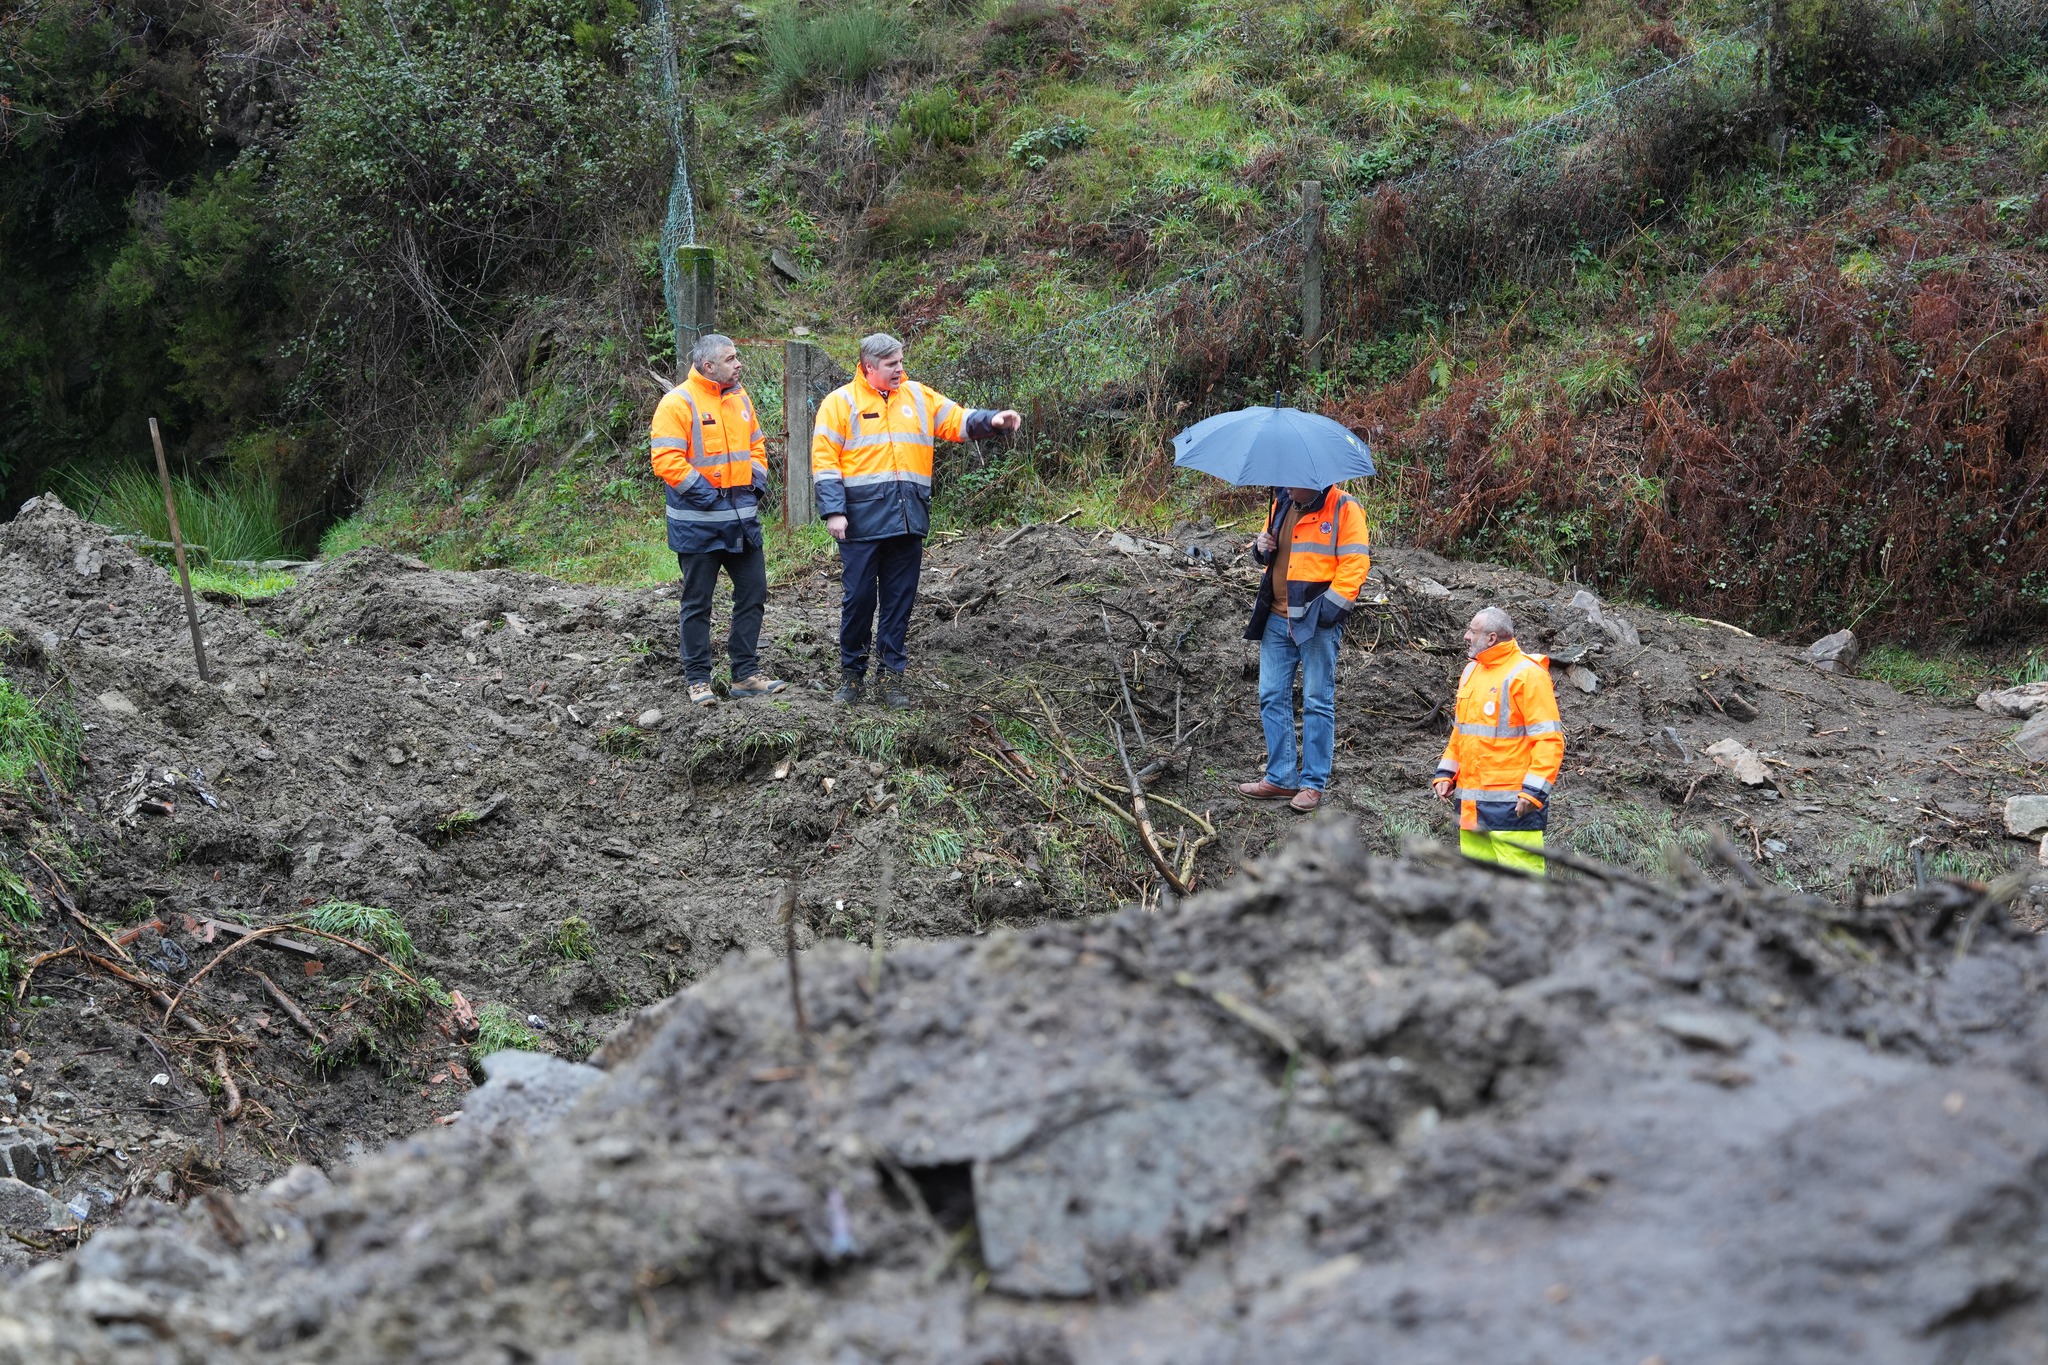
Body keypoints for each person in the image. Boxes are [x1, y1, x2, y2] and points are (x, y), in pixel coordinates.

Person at [812, 333, 1021, 708]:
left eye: (901, 361)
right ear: (869, 367)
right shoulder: (839, 403)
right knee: (859, 600)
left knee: (899, 602)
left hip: (908, 519)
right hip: (859, 523)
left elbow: (957, 420)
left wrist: (994, 420)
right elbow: (825, 461)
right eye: (892, 364)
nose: (900, 369)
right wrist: (833, 510)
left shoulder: (918, 396)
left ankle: (892, 679)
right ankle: (852, 677)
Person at [650, 333, 787, 707]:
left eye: (737, 357)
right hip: (698, 526)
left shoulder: (740, 398)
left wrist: (755, 484)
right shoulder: (676, 403)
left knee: (754, 593)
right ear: (708, 366)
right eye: (731, 359)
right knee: (697, 603)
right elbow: (666, 461)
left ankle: (745, 674)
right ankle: (698, 680)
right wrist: (711, 497)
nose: (739, 364)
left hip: (742, 523)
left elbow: (757, 446)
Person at [1236, 484, 1371, 813]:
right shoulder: (1282, 499)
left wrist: (1326, 614)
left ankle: (1312, 783)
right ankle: (1281, 777)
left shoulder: (1344, 508)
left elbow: (1355, 566)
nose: (1287, 484)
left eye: (1294, 480)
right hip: (1276, 617)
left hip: (1316, 623)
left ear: (1315, 479)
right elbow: (1272, 554)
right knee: (1271, 694)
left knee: (1316, 700)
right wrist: (1260, 547)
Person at [1431, 606, 1564, 875]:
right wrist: (1447, 774)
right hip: (1471, 808)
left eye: (1473, 630)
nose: (1466, 636)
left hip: (1513, 807)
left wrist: (1534, 793)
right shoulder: (1470, 672)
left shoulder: (1528, 674)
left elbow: (1549, 739)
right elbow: (1462, 733)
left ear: (1491, 638)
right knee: (1479, 890)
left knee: (1523, 892)